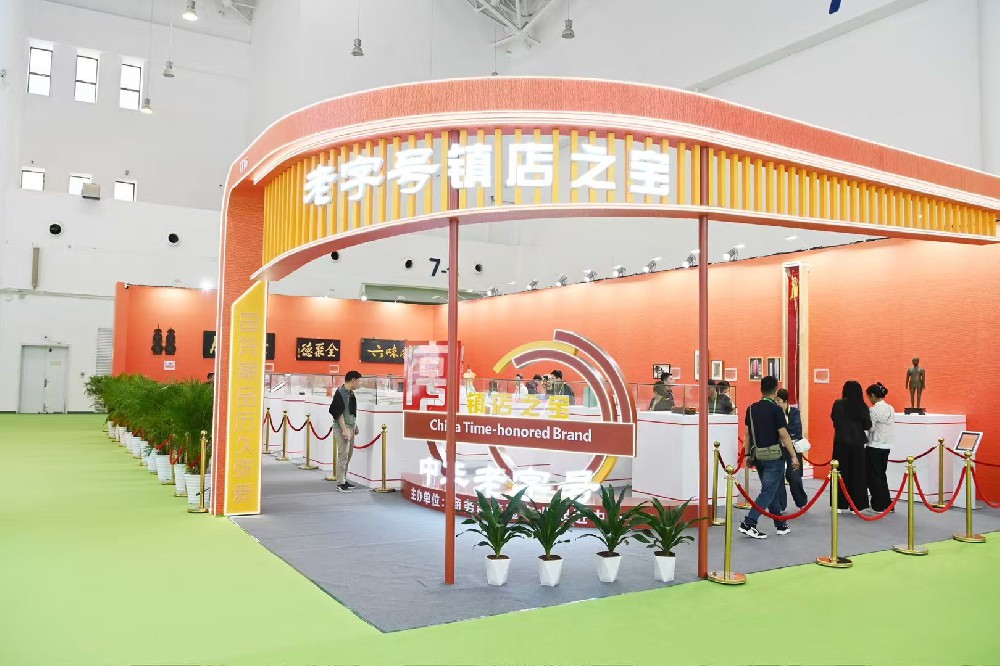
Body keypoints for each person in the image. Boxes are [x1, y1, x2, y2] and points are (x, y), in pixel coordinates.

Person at [738, 375, 799, 539]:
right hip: (774, 456)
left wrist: (747, 454)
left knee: (772, 490)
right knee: (767, 491)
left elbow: (748, 434)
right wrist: (794, 456)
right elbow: (784, 434)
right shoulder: (776, 410)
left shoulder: (751, 409)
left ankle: (780, 524)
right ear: (775, 391)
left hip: (758, 455)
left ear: (761, 389)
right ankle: (749, 523)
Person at [831, 380, 872, 512]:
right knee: (858, 474)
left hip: (841, 442)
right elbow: (867, 425)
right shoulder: (862, 406)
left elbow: (834, 420)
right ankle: (857, 505)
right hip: (858, 444)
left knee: (839, 473)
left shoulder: (838, 404)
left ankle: (839, 504)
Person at [329, 370, 362, 493]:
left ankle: (344, 478)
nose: (359, 384)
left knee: (348, 455)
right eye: (358, 381)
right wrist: (344, 430)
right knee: (343, 455)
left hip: (351, 426)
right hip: (342, 427)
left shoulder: (351, 394)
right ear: (352, 380)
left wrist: (355, 426)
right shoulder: (340, 393)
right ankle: (340, 482)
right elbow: (338, 413)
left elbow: (350, 412)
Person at [775, 388, 808, 510]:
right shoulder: (774, 412)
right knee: (778, 476)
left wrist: (781, 431)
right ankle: (781, 505)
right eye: (775, 400)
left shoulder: (794, 412)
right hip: (778, 447)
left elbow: (796, 430)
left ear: (785, 401)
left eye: (778, 400)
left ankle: (801, 502)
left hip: (793, 447)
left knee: (793, 476)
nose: (776, 403)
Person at [866, 382, 895, 512]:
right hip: (886, 445)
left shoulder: (873, 410)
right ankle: (887, 504)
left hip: (874, 444)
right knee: (882, 475)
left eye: (869, 397)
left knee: (873, 476)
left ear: (872, 395)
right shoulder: (890, 408)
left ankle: (877, 505)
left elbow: (871, 428)